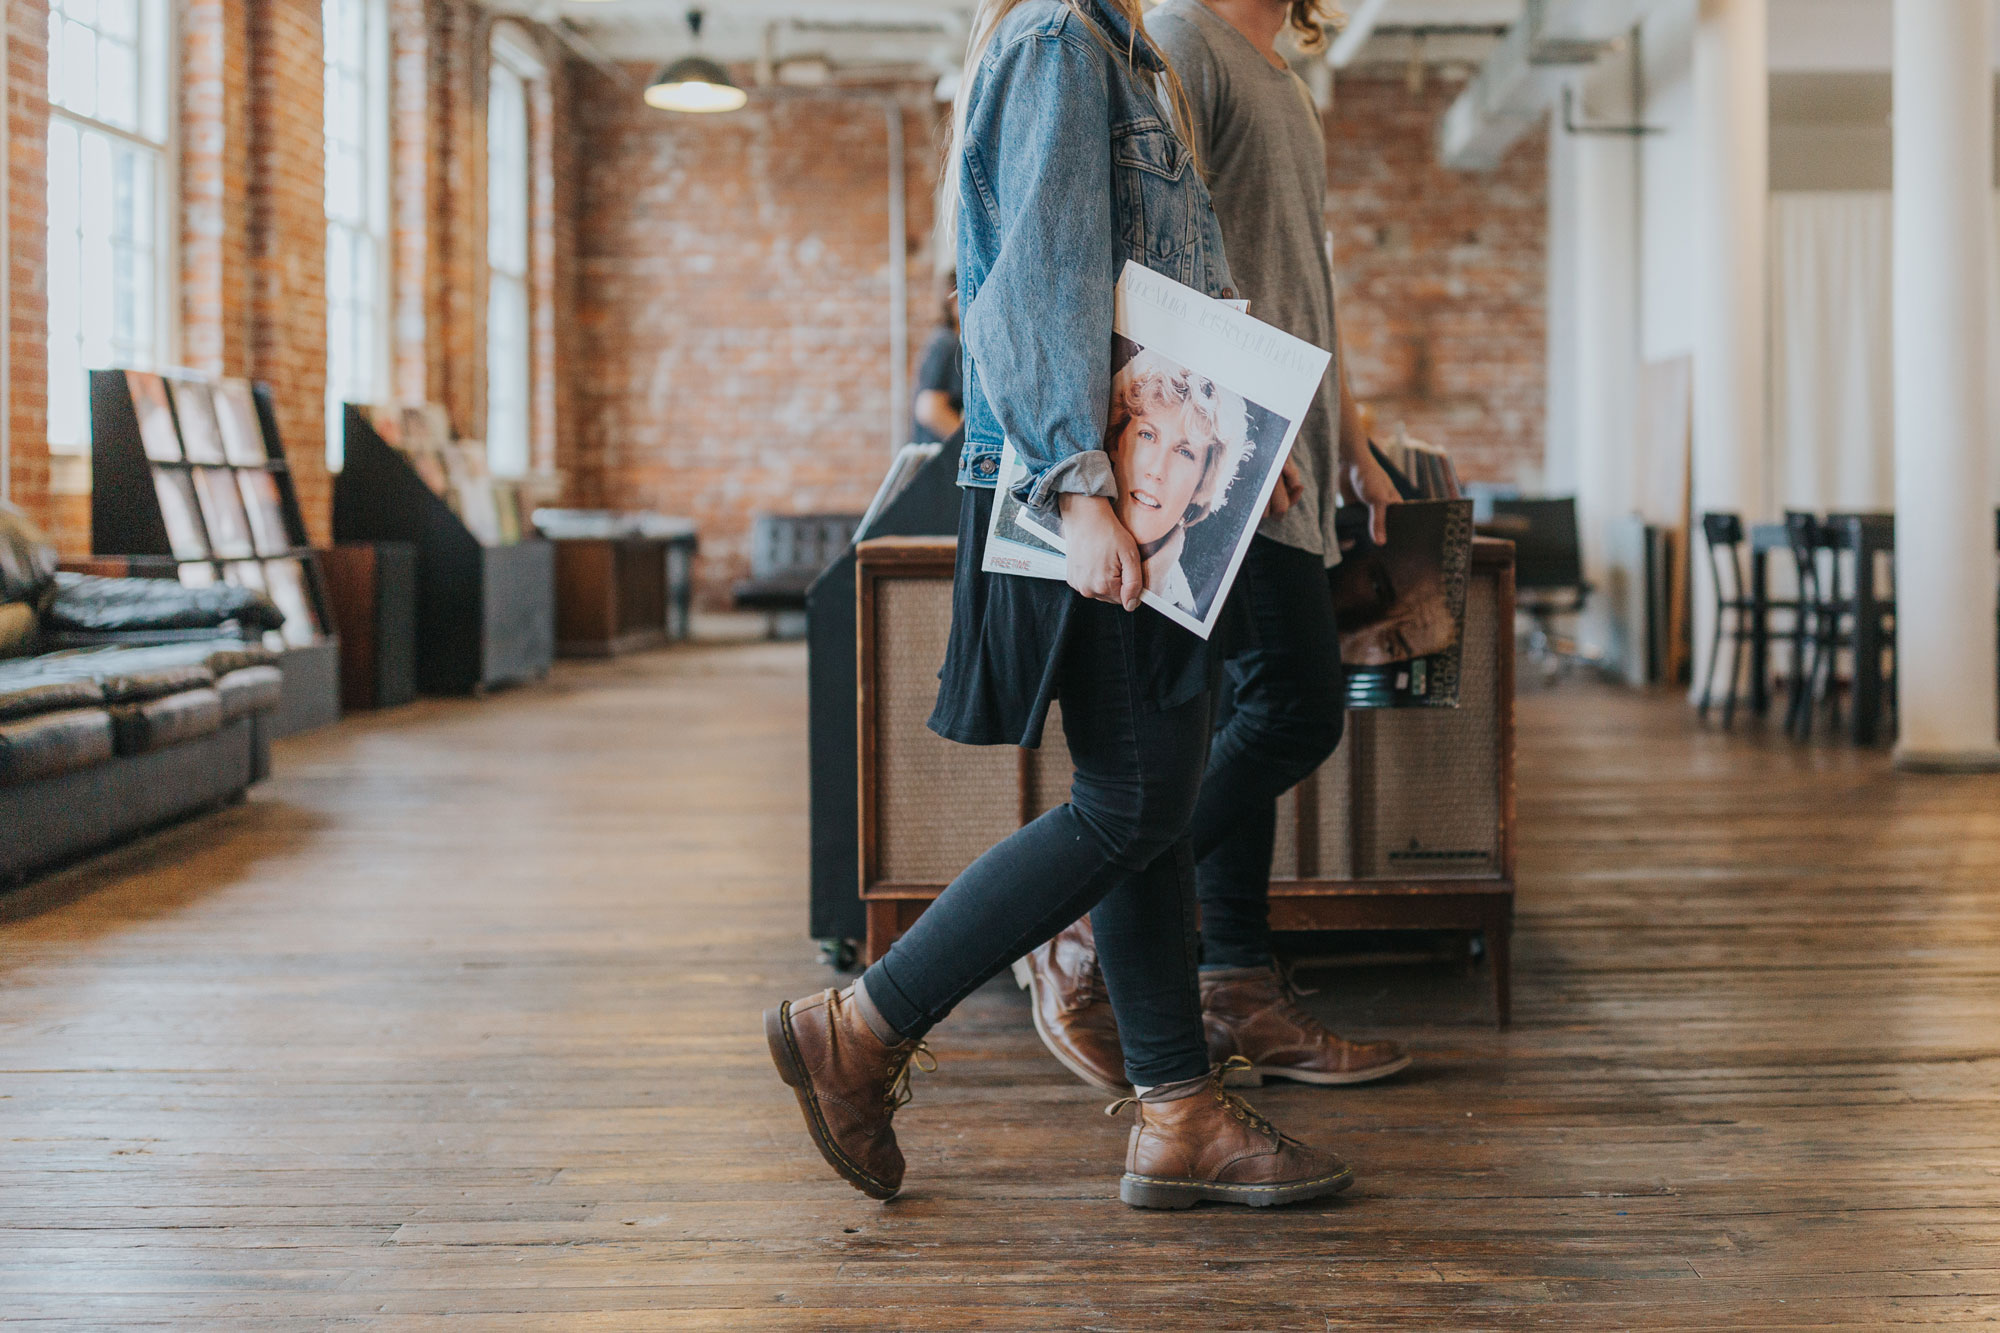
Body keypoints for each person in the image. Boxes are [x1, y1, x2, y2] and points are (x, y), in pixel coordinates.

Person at [765, 0, 1355, 1211]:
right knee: (1134, 795)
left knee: (1146, 797)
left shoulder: (1121, 51)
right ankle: (863, 1023)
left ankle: (1178, 1115)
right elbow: (1031, 286)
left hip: (1139, 483)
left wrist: (1240, 432)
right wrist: (1076, 489)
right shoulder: (1054, 41)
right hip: (1087, 487)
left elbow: (1146, 295)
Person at [1014, 0, 1414, 1094]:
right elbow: (1155, 264)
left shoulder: (1279, 80)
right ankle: (1084, 930)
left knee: (1256, 709)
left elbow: (1300, 279)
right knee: (1294, 707)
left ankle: (1235, 980)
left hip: (1289, 443)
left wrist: (1355, 430)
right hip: (1223, 453)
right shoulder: (1184, 43)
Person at [1103, 349, 1253, 617]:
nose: (1158, 471)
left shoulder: (1187, 611)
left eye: (1185, 453)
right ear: (1115, 440)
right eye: (1147, 435)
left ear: (1202, 483)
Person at [910, 272, 965, 444]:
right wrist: (963, 445)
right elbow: (929, 409)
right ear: (951, 298)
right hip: (935, 453)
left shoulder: (944, 340)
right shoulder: (947, 344)